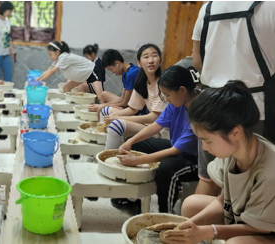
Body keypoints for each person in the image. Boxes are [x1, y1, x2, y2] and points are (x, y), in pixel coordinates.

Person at [165, 81, 275, 244]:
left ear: (235, 132)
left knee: (235, 243)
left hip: (266, 229)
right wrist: (189, 224)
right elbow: (223, 200)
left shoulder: (269, 174)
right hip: (246, 220)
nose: (204, 147)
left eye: (207, 140)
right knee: (191, 205)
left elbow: (261, 228)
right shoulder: (235, 148)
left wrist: (209, 231)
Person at [191, 1, 275, 197]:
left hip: (209, 107)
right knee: (255, 187)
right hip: (255, 111)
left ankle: (190, 226)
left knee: (209, 179)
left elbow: (197, 61)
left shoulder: (207, 9)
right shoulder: (270, 6)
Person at [114, 65, 199, 214]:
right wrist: (130, 141)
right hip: (177, 147)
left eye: (168, 95)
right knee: (138, 142)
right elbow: (156, 125)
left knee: (165, 168)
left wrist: (137, 160)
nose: (167, 99)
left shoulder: (199, 110)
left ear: (182, 90)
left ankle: (164, 214)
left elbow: (175, 151)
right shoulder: (178, 101)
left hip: (194, 159)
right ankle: (133, 199)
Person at [103, 44, 167, 150]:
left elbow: (154, 118)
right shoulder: (142, 82)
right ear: (139, 63)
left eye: (154, 55)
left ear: (160, 60)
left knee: (116, 124)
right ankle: (104, 148)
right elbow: (133, 108)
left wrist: (119, 117)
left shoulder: (163, 84)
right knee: (107, 112)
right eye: (146, 57)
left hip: (159, 130)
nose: (151, 60)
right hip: (146, 124)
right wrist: (115, 114)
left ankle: (107, 157)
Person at [36, 41, 105, 103]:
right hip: (82, 76)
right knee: (66, 88)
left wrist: (39, 81)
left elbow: (52, 71)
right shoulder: (58, 60)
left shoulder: (63, 57)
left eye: (50, 54)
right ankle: (73, 105)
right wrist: (38, 79)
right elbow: (48, 70)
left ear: (57, 52)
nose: (50, 57)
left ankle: (105, 113)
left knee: (100, 97)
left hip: (92, 71)